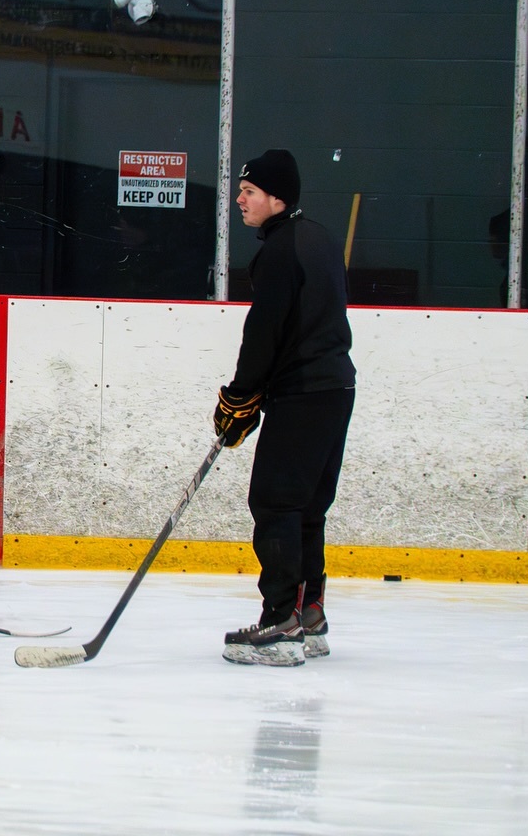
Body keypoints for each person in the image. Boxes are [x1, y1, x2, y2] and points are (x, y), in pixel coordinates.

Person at [214, 149, 355, 667]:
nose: (240, 199)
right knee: (306, 508)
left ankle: (279, 622)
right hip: (335, 388)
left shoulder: (278, 251)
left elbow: (265, 330)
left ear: (277, 198)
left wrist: (240, 394)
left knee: (275, 504)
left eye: (249, 192)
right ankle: (310, 615)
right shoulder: (317, 237)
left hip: (303, 394)